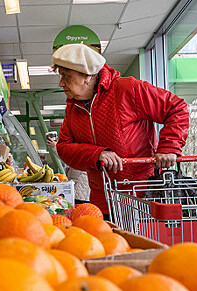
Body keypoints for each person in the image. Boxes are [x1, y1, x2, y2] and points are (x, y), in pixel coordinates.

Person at [52, 43, 189, 216]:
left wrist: (169, 147)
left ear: (86, 75)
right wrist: (96, 154)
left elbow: (176, 107)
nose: (61, 83)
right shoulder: (73, 108)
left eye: (66, 76)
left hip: (142, 197)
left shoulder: (128, 89)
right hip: (103, 201)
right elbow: (63, 147)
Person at [46, 135, 91, 204]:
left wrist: (56, 147)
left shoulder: (83, 152)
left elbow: (68, 158)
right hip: (82, 190)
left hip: (81, 192)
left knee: (80, 210)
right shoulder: (85, 149)